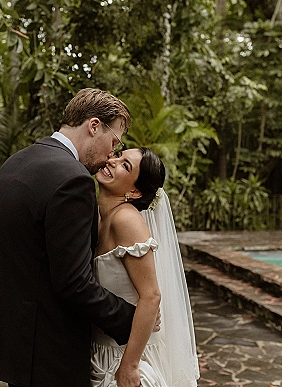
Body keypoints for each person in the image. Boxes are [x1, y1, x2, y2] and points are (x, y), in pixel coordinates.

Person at [0, 89, 159, 387]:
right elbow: (74, 283)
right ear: (93, 126)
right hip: (52, 353)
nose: (109, 156)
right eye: (113, 142)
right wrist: (132, 318)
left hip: (14, 346)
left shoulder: (13, 162)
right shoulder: (73, 179)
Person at [91, 147, 200, 387]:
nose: (112, 160)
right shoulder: (99, 218)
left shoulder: (126, 220)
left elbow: (151, 296)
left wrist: (129, 365)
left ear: (134, 190)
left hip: (127, 355)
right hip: (101, 351)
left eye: (125, 165)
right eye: (118, 155)